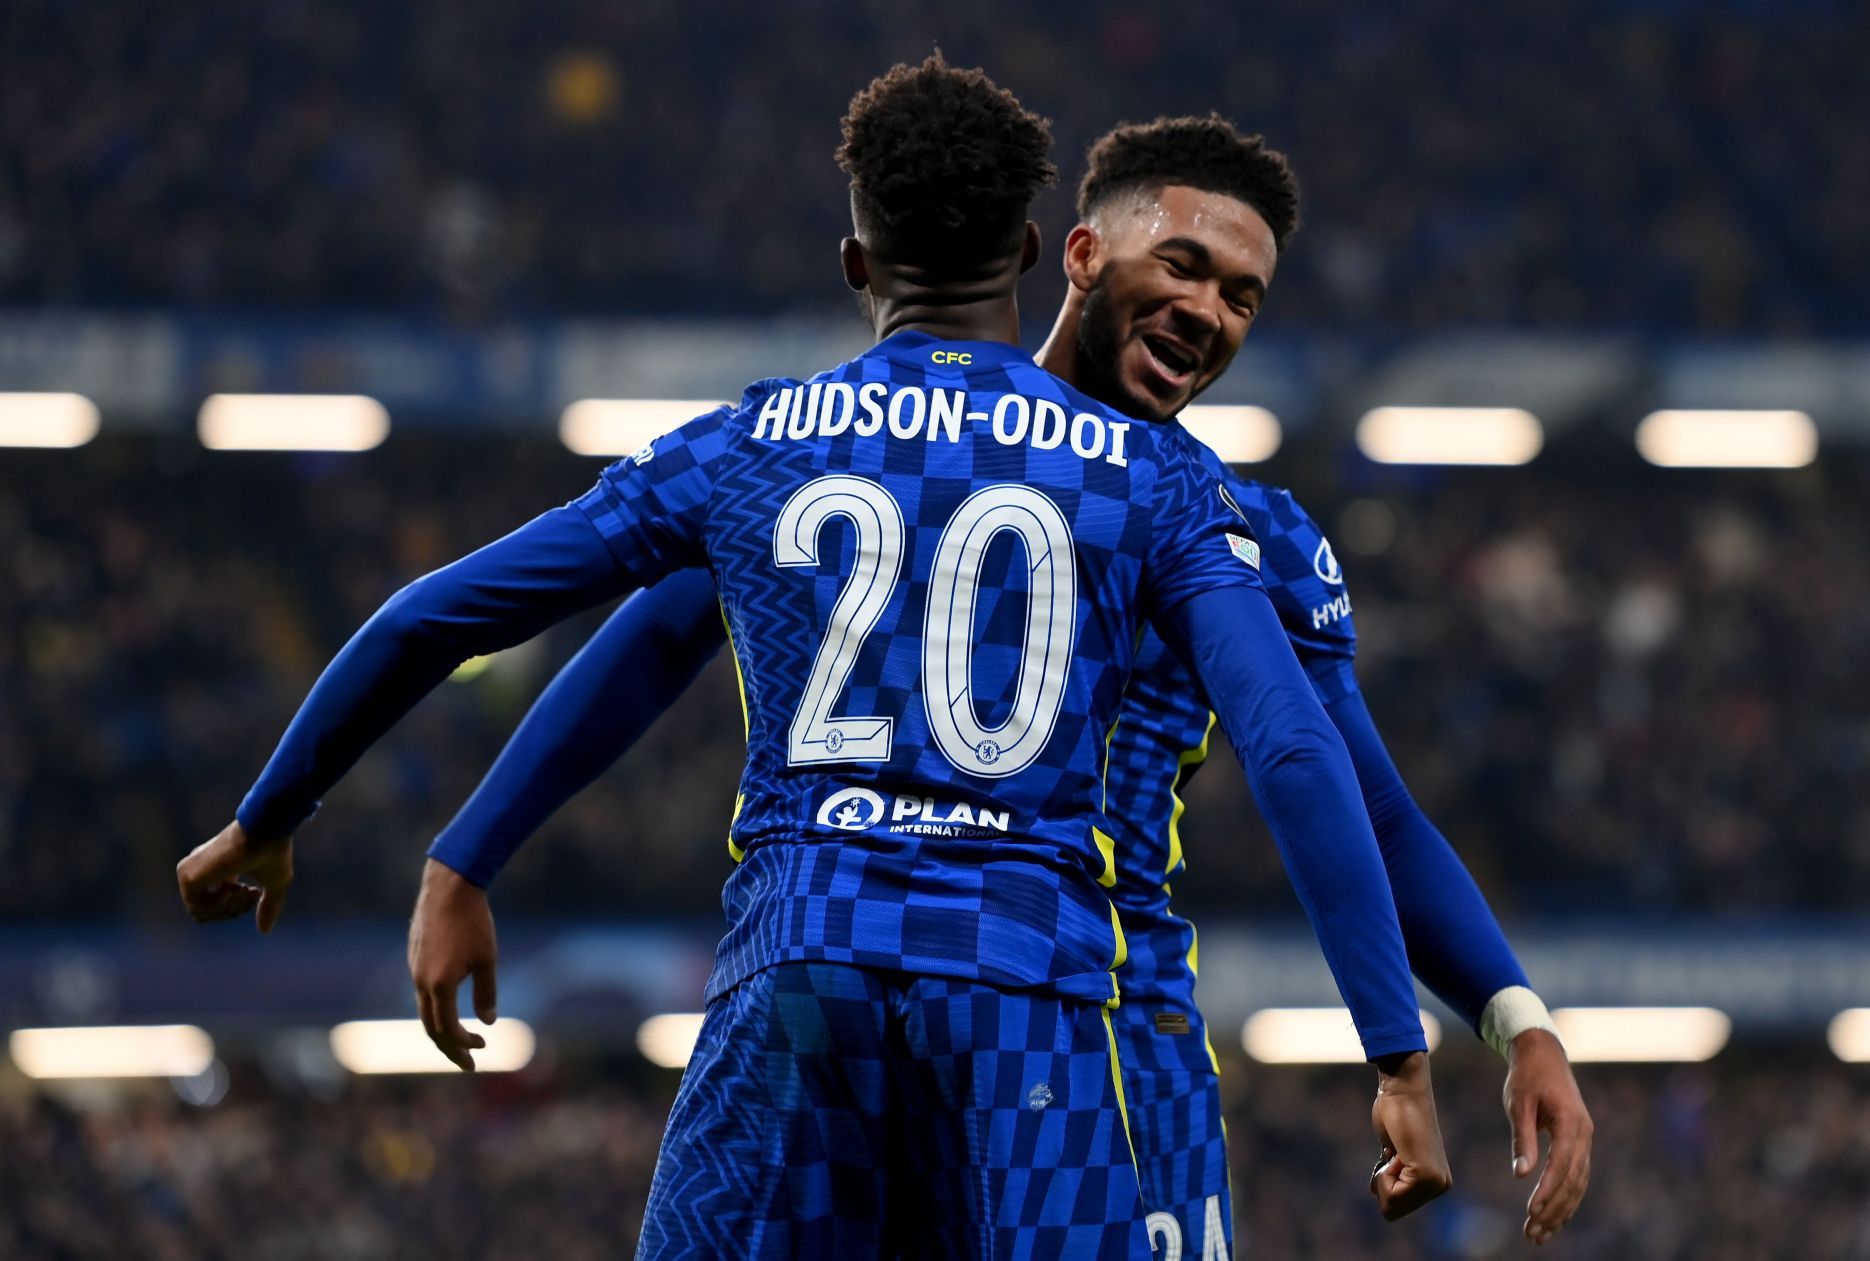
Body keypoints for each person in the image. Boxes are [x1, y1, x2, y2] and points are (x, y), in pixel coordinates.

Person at [176, 57, 1450, 1259]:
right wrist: (1394, 1050)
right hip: (1032, 995)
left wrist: (273, 816)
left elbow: (434, 618)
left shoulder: (751, 445)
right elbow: (1290, 744)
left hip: (798, 967)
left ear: (855, 260)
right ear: (1026, 251)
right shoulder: (1153, 475)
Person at [416, 115, 1591, 1257]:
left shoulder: (1249, 538)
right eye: (1182, 266)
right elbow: (650, 642)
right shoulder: (888, 449)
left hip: (1110, 1048)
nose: (1208, 312)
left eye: (1242, 297)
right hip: (902, 1013)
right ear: (1077, 254)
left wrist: (1513, 1017)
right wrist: (471, 849)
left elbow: (1367, 803)